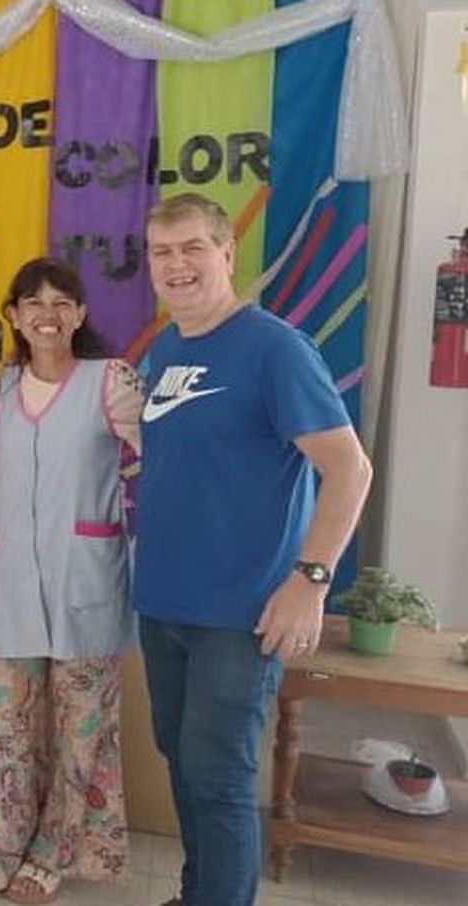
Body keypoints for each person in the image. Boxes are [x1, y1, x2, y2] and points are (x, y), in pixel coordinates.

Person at [135, 194, 372, 906]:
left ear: (227, 253)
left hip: (241, 612)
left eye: (192, 248)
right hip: (163, 602)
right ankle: (197, 892)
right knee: (182, 761)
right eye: (162, 252)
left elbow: (349, 469)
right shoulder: (167, 348)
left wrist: (311, 581)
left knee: (219, 776)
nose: (176, 265)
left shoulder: (274, 349)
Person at [0, 257, 144, 904]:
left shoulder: (111, 381)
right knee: (9, 729)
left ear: (80, 314)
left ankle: (54, 852)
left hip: (87, 580)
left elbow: (165, 456)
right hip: (12, 583)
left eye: (61, 302)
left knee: (81, 732)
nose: (47, 314)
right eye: (33, 303)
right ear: (13, 316)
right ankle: (4, 847)